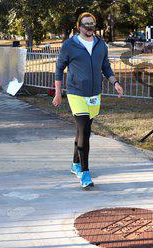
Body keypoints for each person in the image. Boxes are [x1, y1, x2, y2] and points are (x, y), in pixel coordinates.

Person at [53, 12, 124, 189]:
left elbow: (105, 66)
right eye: (86, 24)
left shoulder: (101, 45)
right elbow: (59, 69)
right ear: (79, 27)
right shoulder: (69, 45)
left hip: (94, 94)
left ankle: (75, 163)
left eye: (92, 24)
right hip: (76, 93)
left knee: (83, 130)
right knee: (84, 130)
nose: (89, 27)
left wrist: (115, 82)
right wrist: (58, 93)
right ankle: (85, 172)